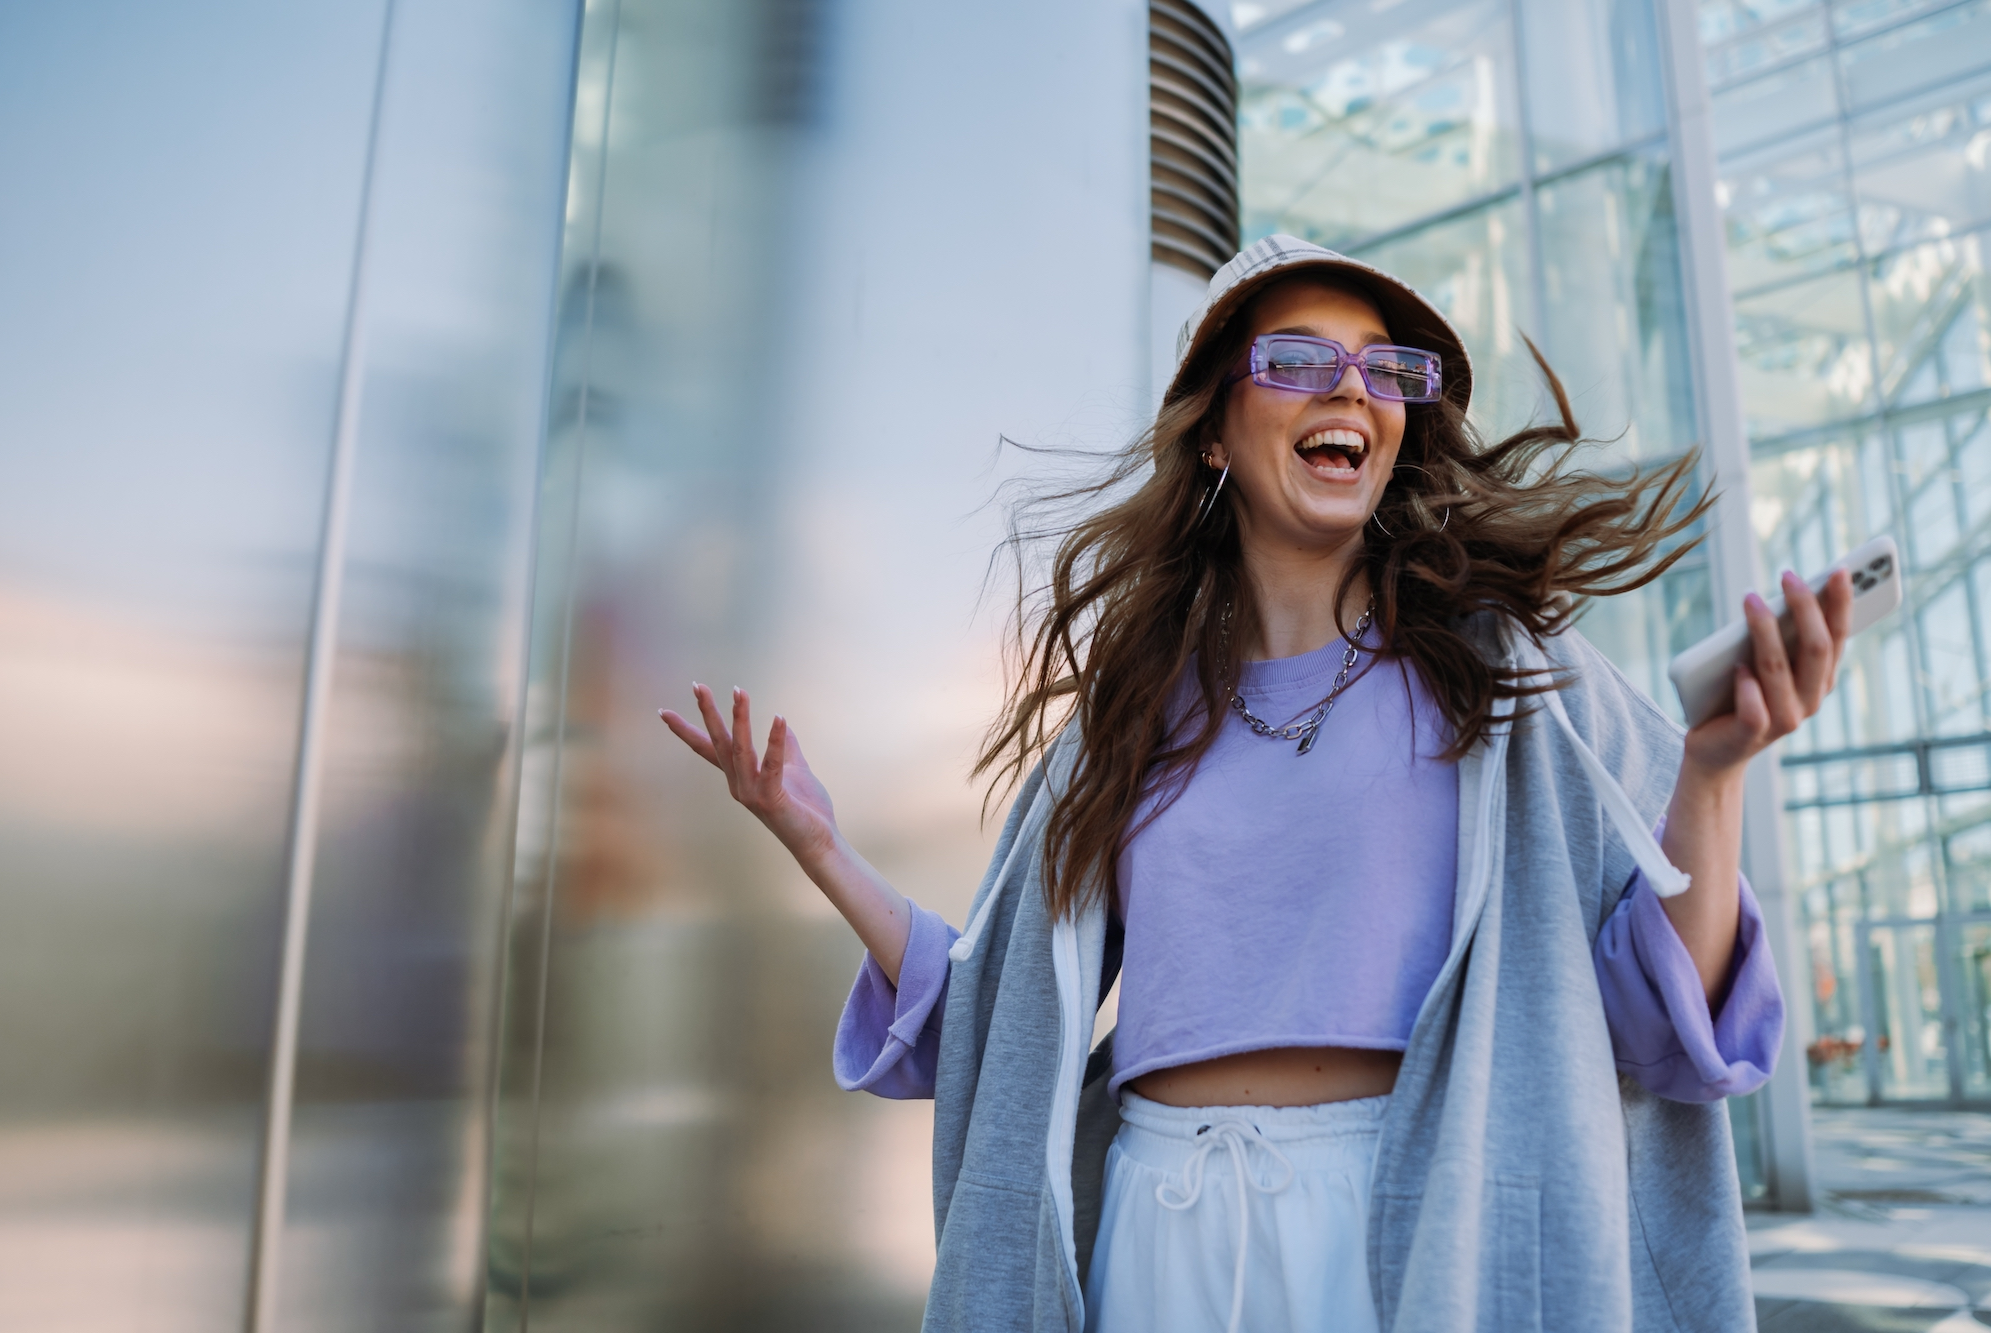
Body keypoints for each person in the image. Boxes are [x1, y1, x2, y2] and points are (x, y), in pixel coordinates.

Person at [661, 235, 1851, 1333]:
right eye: (1298, 361)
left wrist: (1711, 773)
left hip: (1411, 1220)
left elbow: (1657, 1025)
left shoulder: (1513, 680)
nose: (1351, 391)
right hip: (1160, 1225)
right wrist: (819, 847)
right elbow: (995, 1015)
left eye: (1383, 370)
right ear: (1214, 432)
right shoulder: (1127, 716)